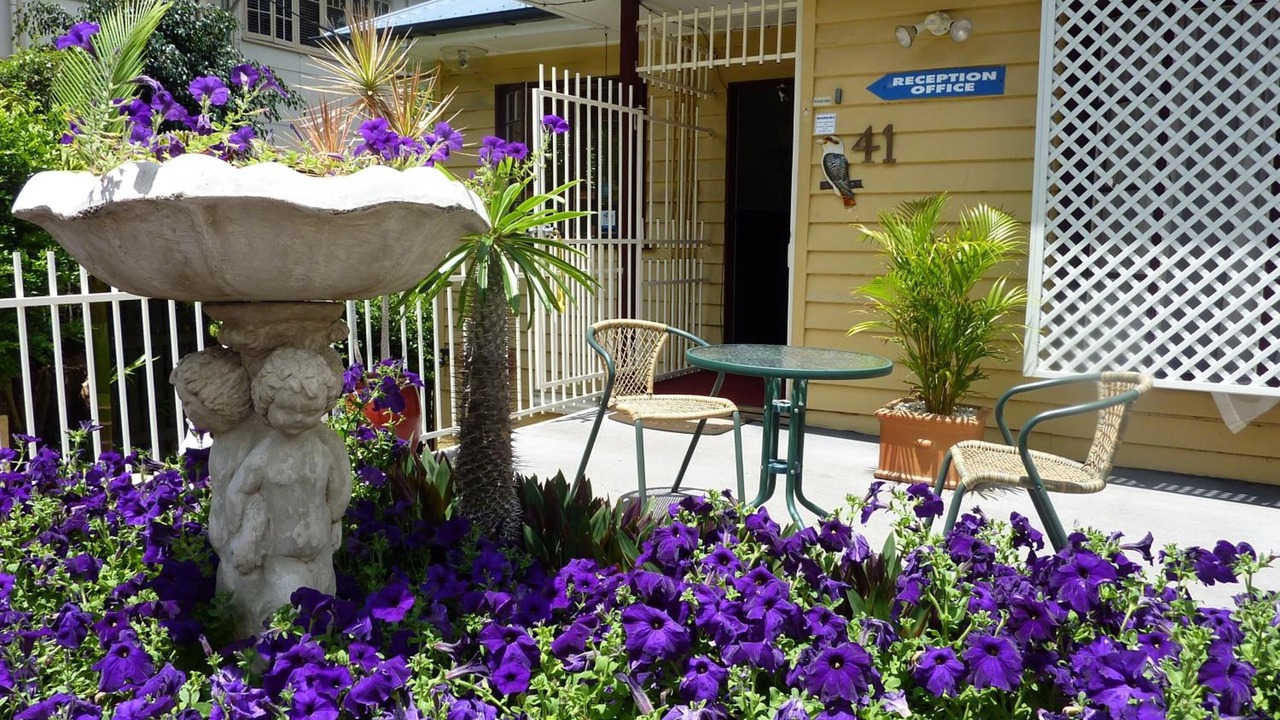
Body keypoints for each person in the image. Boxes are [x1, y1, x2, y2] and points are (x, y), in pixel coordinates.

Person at [222, 346, 351, 633]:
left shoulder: (322, 448)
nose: (298, 418)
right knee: (289, 613)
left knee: (325, 611)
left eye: (309, 411)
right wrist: (242, 532)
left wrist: (335, 518)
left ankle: (320, 665)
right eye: (288, 409)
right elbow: (239, 490)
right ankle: (284, 664)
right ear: (267, 403)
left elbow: (339, 485)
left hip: (320, 551)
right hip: (282, 557)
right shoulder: (266, 453)